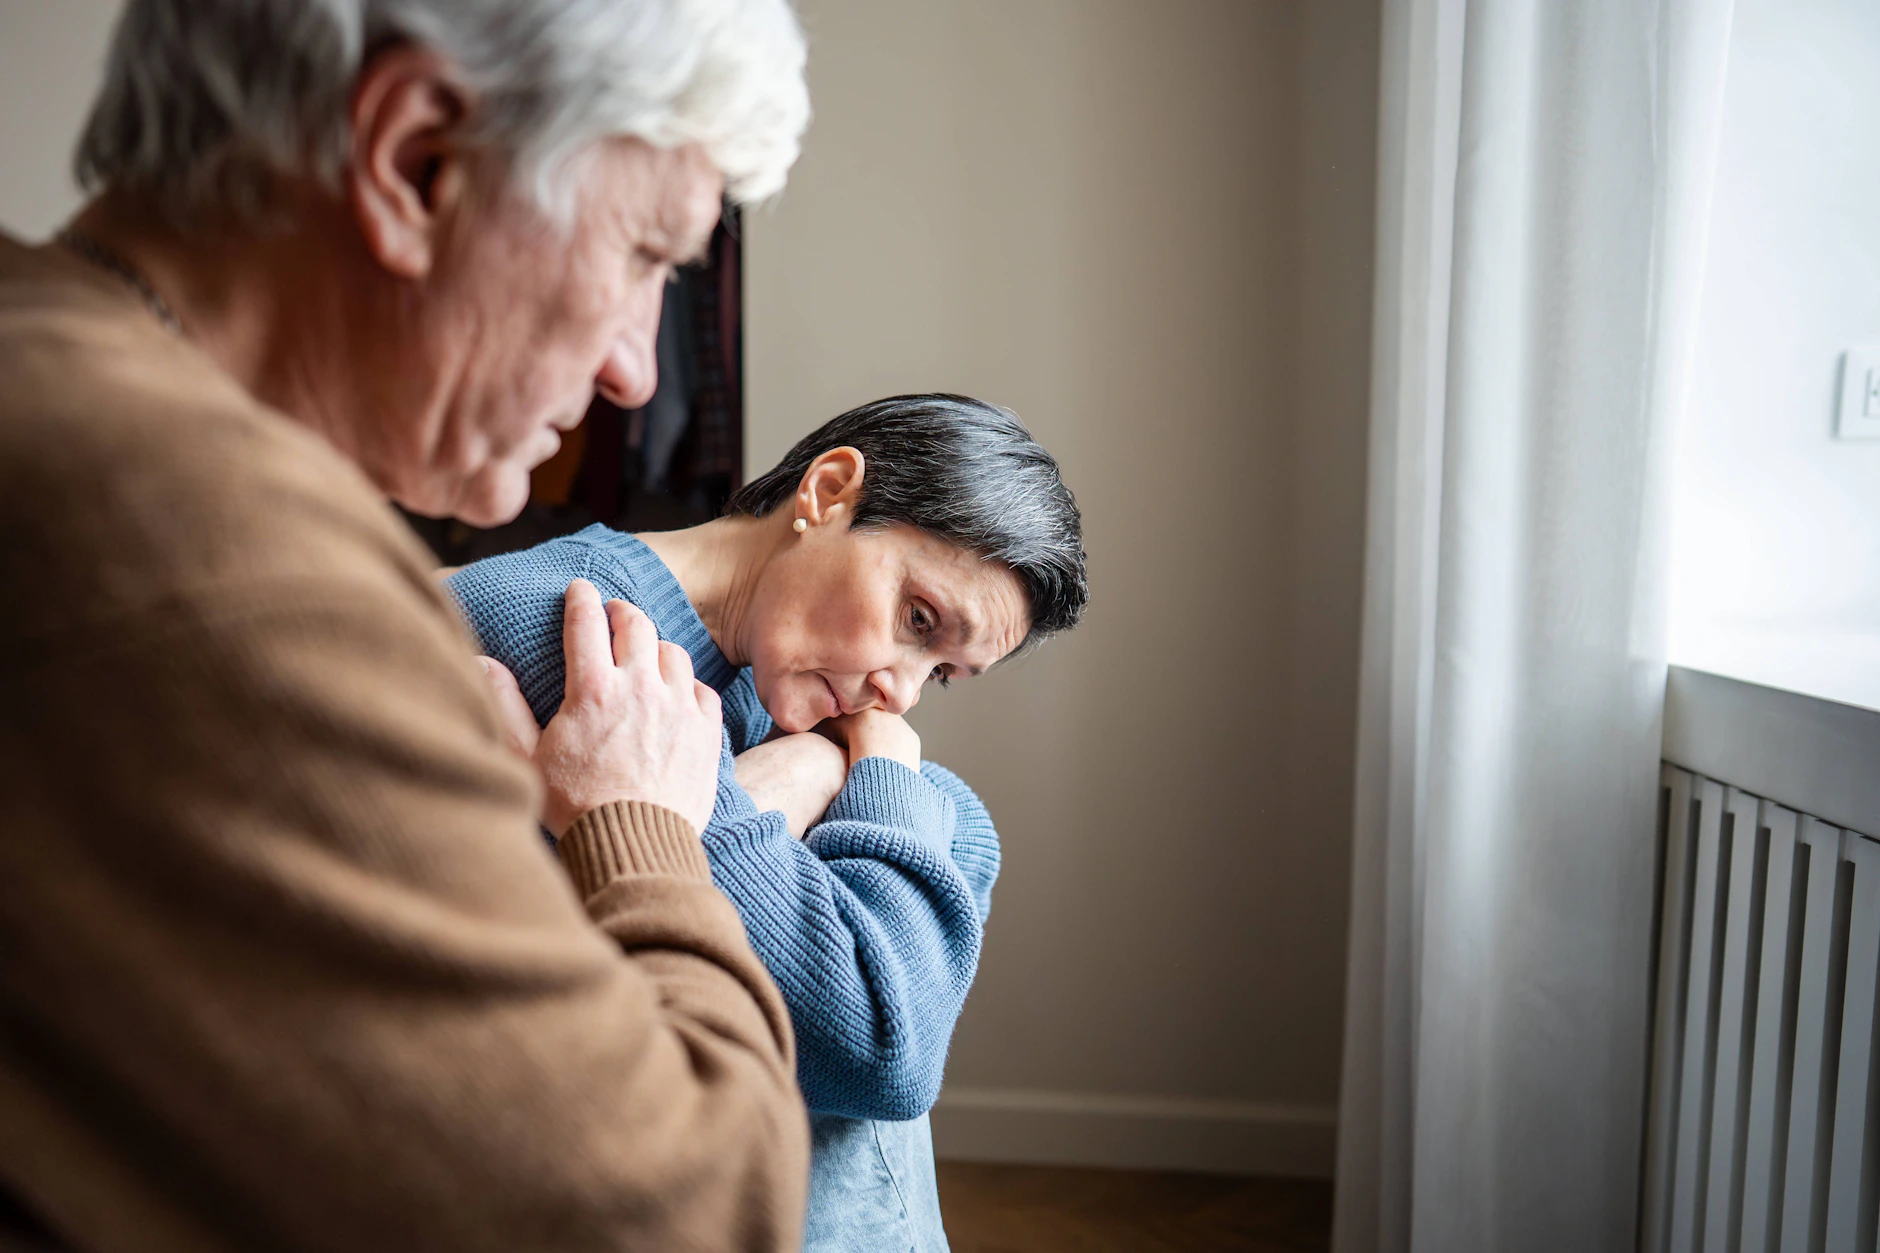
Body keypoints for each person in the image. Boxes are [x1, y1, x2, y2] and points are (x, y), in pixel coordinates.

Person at [0, 2, 816, 1250]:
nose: (634, 372)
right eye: (647, 255)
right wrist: (639, 829)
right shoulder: (244, 570)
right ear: (416, 164)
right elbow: (698, 1207)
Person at [446, 394, 1089, 1253]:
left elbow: (969, 835)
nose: (897, 695)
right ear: (827, 492)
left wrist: (818, 765)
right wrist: (842, 776)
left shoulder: (776, 684)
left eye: (939, 674)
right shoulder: (579, 632)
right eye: (918, 619)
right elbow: (879, 1043)